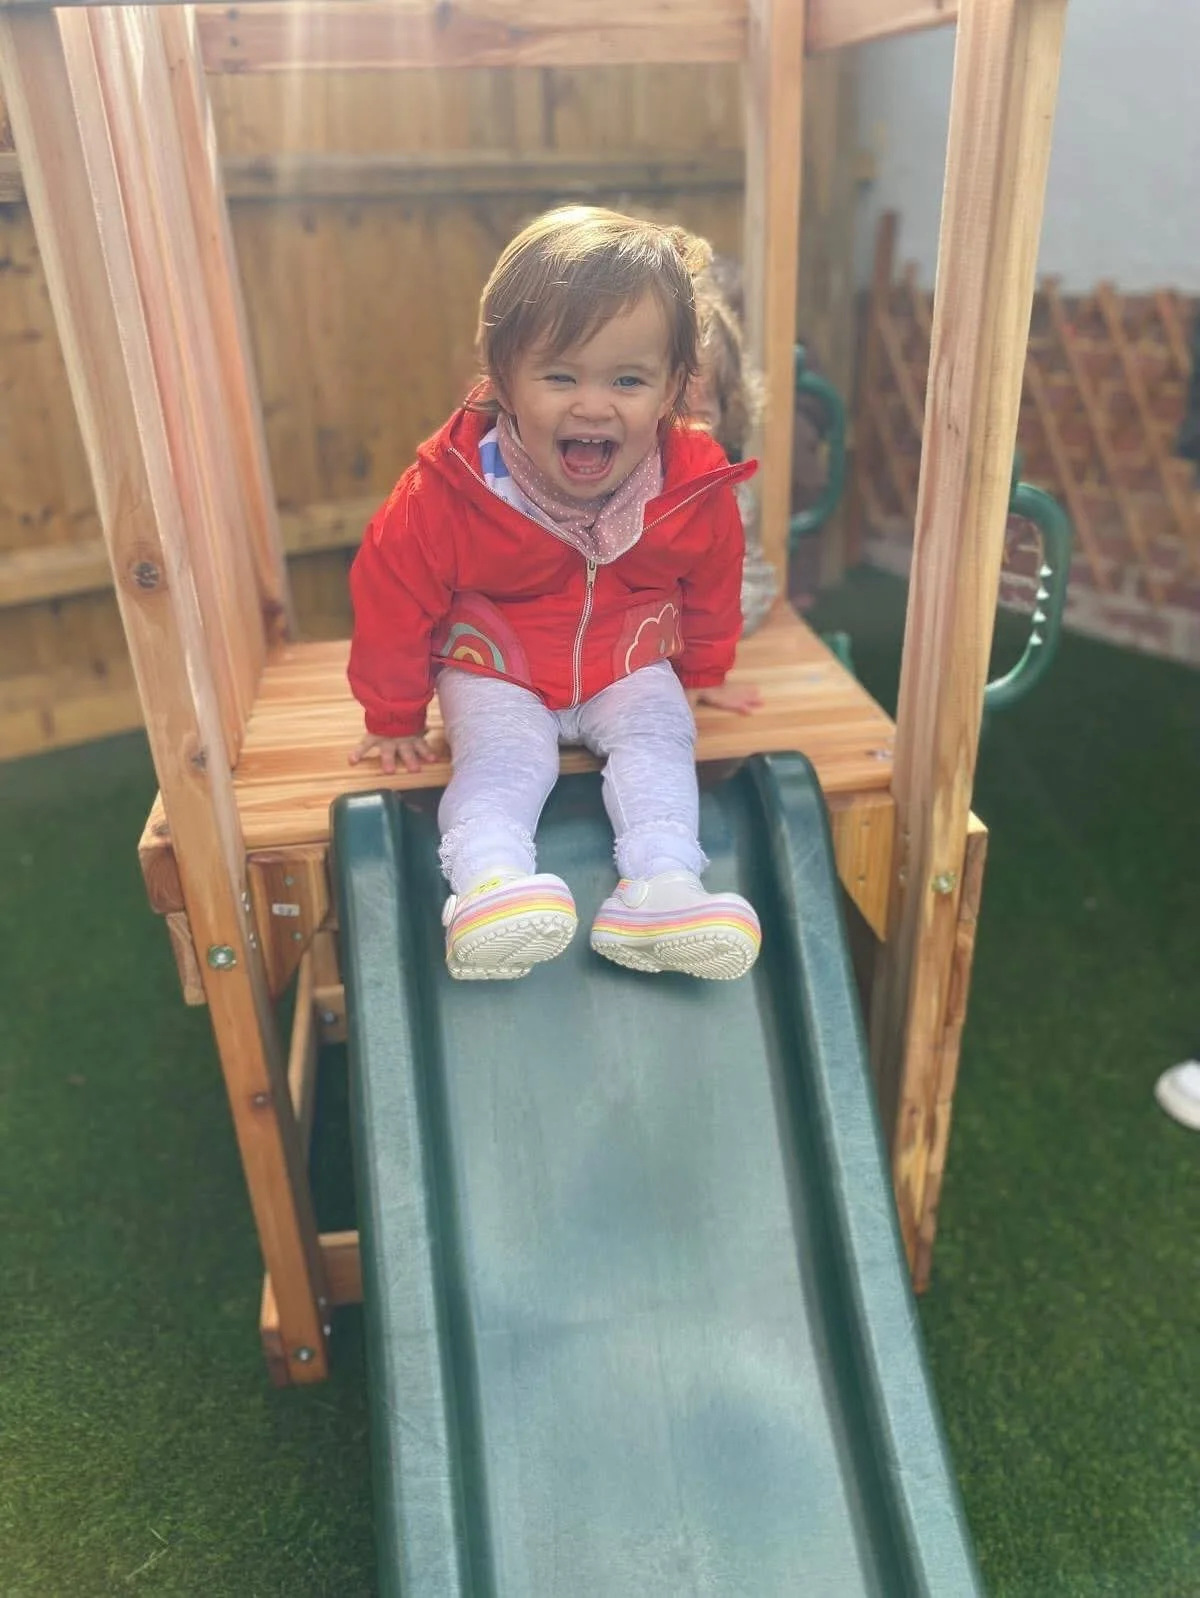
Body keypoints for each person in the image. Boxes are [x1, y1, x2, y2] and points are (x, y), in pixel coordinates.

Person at [347, 205, 763, 983]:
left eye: (628, 380)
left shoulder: (687, 483)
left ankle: (664, 885)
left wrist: (705, 671)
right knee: (507, 760)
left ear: (676, 385)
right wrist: (394, 715)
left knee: (662, 735)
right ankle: (489, 882)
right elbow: (391, 597)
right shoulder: (454, 491)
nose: (593, 404)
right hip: (498, 663)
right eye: (560, 375)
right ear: (502, 378)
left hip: (624, 660)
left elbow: (714, 576)